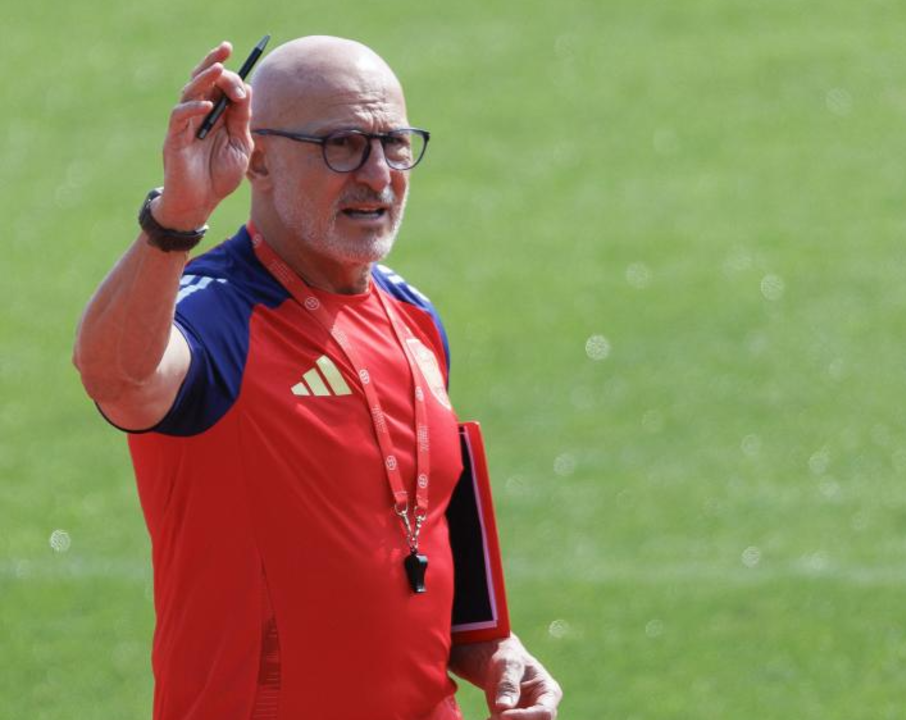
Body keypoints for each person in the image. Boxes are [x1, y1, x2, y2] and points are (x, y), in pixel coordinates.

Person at [72, 36, 562, 720]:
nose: (377, 173)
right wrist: (176, 218)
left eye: (394, 142)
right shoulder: (216, 316)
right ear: (260, 160)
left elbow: (416, 526)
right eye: (342, 144)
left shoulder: (411, 313)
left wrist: (489, 649)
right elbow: (116, 379)